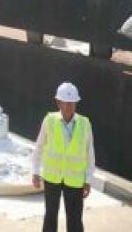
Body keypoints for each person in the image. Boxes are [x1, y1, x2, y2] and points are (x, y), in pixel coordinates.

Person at [32, 82, 95, 232]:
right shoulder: (50, 120)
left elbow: (90, 154)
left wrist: (88, 180)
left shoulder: (85, 124)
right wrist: (35, 172)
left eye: (72, 103)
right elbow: (39, 147)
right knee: (50, 215)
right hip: (52, 177)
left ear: (76, 103)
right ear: (58, 102)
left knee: (75, 218)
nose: (69, 107)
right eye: (65, 103)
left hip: (75, 180)